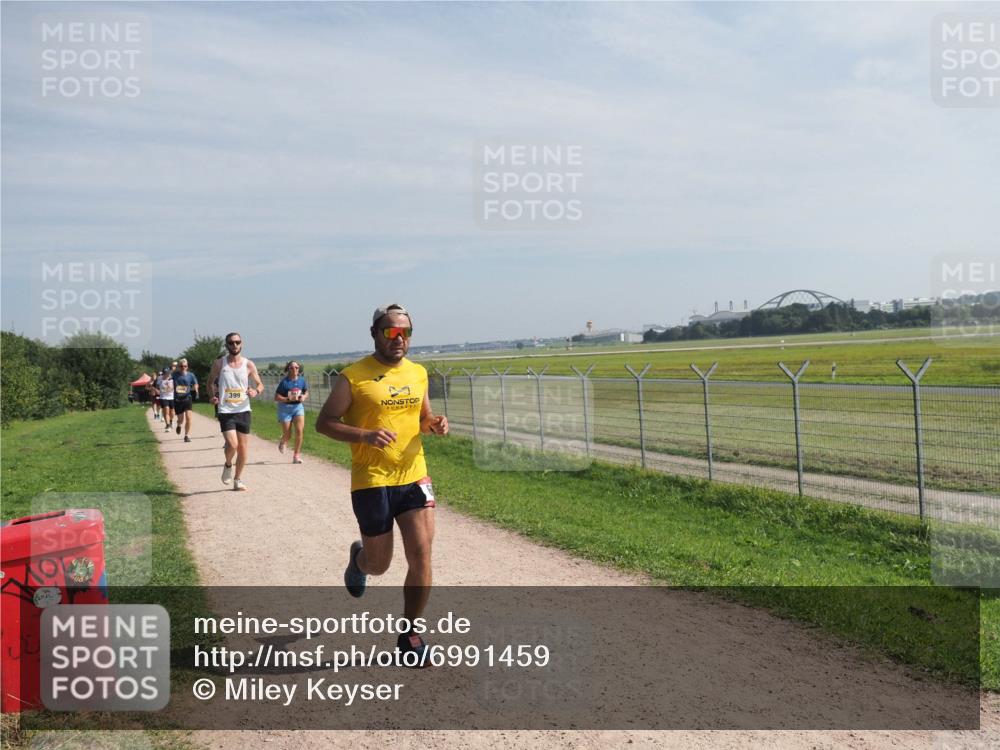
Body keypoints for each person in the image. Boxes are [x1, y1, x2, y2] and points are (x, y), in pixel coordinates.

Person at [316, 303, 448, 663]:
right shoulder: (354, 376)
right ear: (374, 333)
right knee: (380, 564)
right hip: (372, 480)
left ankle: (410, 635)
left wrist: (433, 424)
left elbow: (423, 417)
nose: (399, 338)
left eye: (405, 332)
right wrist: (364, 435)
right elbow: (324, 422)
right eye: (390, 332)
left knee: (421, 555)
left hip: (413, 474)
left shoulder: (418, 373)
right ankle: (359, 561)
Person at [208, 332, 264, 492]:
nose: (234, 345)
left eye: (237, 342)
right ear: (226, 345)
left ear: (242, 344)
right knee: (233, 444)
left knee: (243, 448)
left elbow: (259, 384)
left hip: (243, 409)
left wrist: (255, 391)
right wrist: (212, 396)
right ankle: (227, 464)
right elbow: (210, 382)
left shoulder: (248, 364)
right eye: (231, 343)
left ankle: (238, 479)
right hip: (225, 410)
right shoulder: (219, 364)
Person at [274, 361, 309, 464]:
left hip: (298, 407)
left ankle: (296, 456)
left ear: (299, 369)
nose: (295, 369)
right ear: (288, 369)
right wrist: (288, 399)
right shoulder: (284, 382)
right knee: (288, 434)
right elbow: (276, 397)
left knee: (299, 431)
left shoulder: (302, 380)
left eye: (297, 367)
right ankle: (283, 441)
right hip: (285, 408)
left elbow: (306, 392)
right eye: (292, 368)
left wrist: (304, 397)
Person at [171, 358, 200, 443]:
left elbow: (195, 383)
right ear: (179, 367)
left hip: (187, 398)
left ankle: (186, 436)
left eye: (185, 366)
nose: (183, 367)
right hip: (178, 400)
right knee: (181, 419)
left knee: (189, 418)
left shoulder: (191, 375)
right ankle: (179, 425)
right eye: (181, 366)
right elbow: (167, 378)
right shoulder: (174, 375)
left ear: (187, 367)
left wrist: (196, 388)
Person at [158, 366, 175, 431]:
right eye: (165, 373)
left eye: (167, 373)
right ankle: (167, 425)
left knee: (172, 412)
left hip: (171, 397)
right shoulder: (160, 379)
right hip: (163, 397)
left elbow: (172, 388)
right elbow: (159, 388)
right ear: (163, 373)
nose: (166, 374)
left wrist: (167, 388)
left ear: (169, 373)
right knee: (166, 410)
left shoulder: (172, 379)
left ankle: (170, 421)